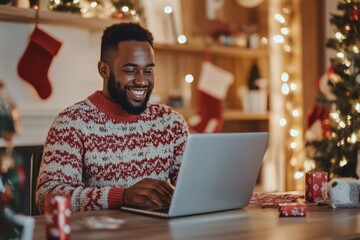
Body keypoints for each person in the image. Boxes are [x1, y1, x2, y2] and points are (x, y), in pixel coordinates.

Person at [35, 22, 189, 213]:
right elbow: (48, 198)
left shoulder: (171, 122)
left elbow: (194, 187)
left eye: (148, 70)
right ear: (103, 70)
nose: (142, 80)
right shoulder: (71, 123)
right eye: (131, 70)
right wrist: (122, 196)